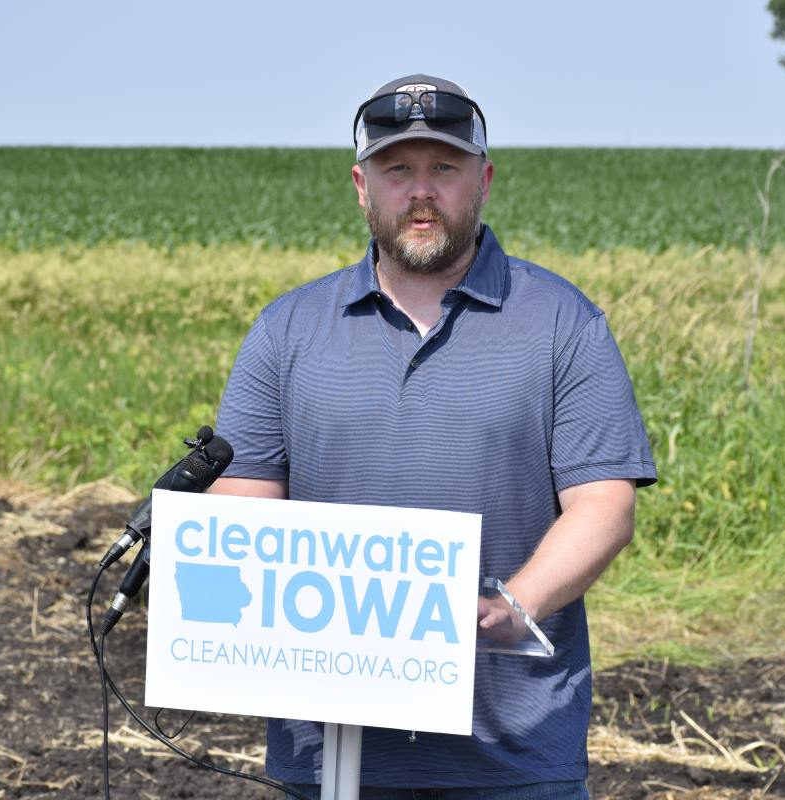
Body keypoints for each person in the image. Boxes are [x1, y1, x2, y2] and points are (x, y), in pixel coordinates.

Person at [208, 73, 657, 799]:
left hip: (512, 750)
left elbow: (605, 504)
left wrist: (515, 607)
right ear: (362, 186)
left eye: (444, 168)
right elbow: (245, 499)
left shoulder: (563, 324)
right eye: (398, 170)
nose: (421, 191)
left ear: (484, 180)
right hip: (331, 750)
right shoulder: (286, 331)